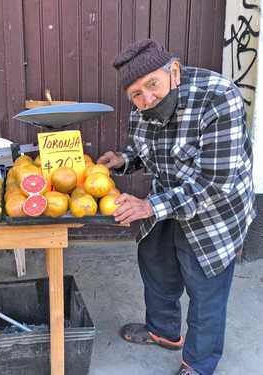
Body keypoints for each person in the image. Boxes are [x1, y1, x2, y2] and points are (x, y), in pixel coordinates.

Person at [97, 39, 256, 375]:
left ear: (174, 71)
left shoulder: (219, 97)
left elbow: (214, 184)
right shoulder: (143, 104)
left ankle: (199, 363)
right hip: (165, 200)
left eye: (152, 85)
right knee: (156, 267)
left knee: (206, 290)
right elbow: (146, 149)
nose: (146, 99)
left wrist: (147, 207)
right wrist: (124, 160)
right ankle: (164, 332)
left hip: (214, 212)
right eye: (136, 94)